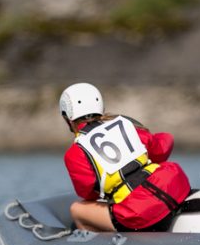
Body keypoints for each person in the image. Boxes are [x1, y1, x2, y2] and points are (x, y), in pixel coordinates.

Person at [60, 82, 191, 232]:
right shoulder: (126, 125)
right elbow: (161, 148)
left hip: (139, 211)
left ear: (67, 118)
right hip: (174, 185)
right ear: (100, 108)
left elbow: (87, 193)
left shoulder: (75, 153)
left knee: (77, 209)